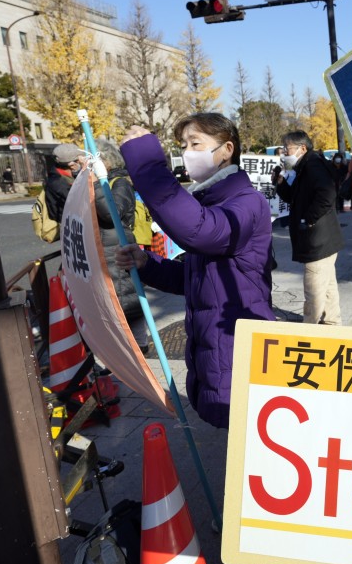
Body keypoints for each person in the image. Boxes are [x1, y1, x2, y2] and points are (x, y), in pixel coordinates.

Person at [114, 114, 276, 429]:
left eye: (196, 143)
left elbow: (200, 231)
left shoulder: (247, 203)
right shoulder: (210, 202)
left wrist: (147, 164)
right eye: (184, 145)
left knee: (245, 450)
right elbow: (195, 279)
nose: (188, 152)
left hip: (238, 347)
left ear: (227, 149)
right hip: (215, 351)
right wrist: (149, 264)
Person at [275, 131, 344, 325]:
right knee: (328, 287)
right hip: (322, 240)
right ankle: (332, 324)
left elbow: (327, 194)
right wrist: (280, 184)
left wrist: (308, 219)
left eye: (286, 149)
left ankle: (309, 329)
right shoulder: (305, 166)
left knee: (313, 291)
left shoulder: (313, 166)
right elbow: (294, 198)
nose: (283, 153)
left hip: (318, 241)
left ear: (302, 148)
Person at [91, 140, 148, 354]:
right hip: (106, 248)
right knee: (118, 299)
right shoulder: (108, 183)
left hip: (117, 247)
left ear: (104, 161)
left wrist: (96, 184)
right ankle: (130, 348)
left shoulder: (118, 183)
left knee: (125, 299)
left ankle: (136, 348)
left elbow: (109, 212)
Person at [45, 143, 86, 222]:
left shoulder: (59, 176)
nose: (82, 162)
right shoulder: (59, 183)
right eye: (79, 161)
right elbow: (80, 202)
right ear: (72, 165)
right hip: (68, 225)